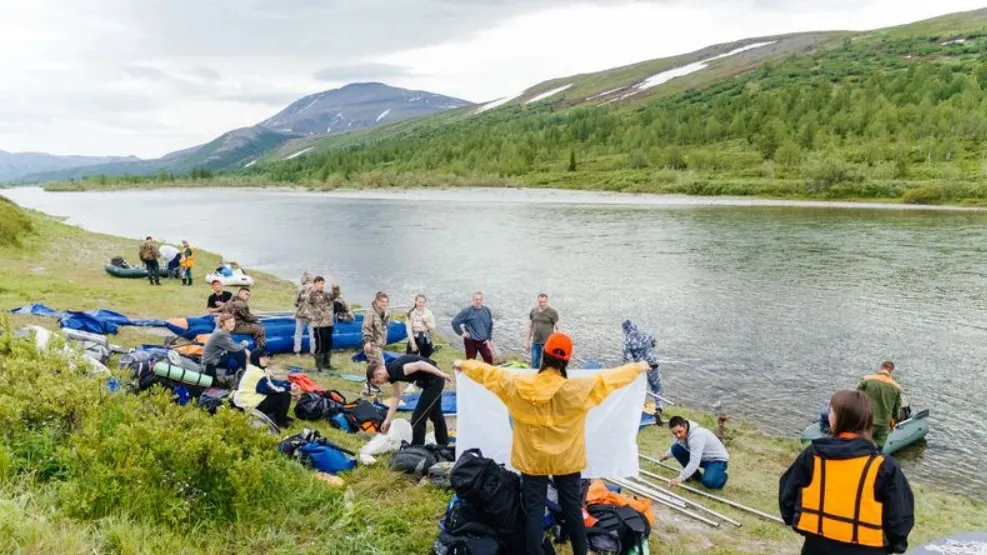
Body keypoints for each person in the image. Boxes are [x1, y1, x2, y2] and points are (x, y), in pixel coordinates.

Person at [455, 332, 649, 555]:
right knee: (573, 510)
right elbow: (609, 379)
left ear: (544, 355)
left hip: (532, 460)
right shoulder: (578, 389)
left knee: (534, 513)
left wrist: (464, 364)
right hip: (567, 460)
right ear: (566, 360)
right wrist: (638, 367)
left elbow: (491, 374)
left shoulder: (518, 383)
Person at [779, 389, 914, 555]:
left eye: (831, 412)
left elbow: (788, 497)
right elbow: (900, 519)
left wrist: (803, 525)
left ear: (836, 418)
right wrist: (893, 546)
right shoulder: (884, 466)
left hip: (817, 547)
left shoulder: (813, 456)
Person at [367, 353, 452, 446]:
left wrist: (442, 374)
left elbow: (420, 364)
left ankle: (417, 447)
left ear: (378, 374)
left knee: (417, 418)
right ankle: (443, 443)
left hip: (434, 381)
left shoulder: (396, 370)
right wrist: (387, 420)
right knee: (435, 414)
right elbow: (396, 396)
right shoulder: (390, 372)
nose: (381, 384)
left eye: (378, 382)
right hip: (429, 382)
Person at [659, 415, 730, 490]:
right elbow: (675, 446)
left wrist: (680, 478)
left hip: (716, 460)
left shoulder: (696, 436)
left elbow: (694, 462)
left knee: (708, 482)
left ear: (685, 426)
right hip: (702, 457)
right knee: (675, 448)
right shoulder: (679, 433)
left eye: (680, 432)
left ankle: (721, 477)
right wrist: (665, 455)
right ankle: (695, 476)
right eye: (675, 433)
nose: (678, 435)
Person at [233, 351, 300, 428]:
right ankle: (280, 421)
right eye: (263, 357)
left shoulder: (254, 368)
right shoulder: (257, 374)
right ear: (255, 359)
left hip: (246, 401)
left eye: (267, 357)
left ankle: (280, 415)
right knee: (285, 395)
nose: (266, 359)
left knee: (279, 393)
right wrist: (289, 388)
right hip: (249, 405)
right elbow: (273, 389)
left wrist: (287, 384)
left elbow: (272, 382)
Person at [622, 319, 664, 424]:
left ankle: (641, 411)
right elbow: (654, 343)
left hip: (641, 369)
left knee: (640, 390)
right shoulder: (647, 334)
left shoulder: (627, 341)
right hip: (653, 365)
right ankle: (658, 408)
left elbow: (628, 359)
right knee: (657, 387)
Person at [857, 361, 903, 448]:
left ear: (881, 367)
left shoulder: (867, 379)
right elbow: (897, 409)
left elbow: (857, 396)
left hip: (867, 420)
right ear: (892, 371)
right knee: (878, 449)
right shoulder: (896, 387)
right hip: (884, 424)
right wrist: (894, 421)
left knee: (862, 447)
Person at [201, 313, 249, 382]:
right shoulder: (221, 334)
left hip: (215, 358)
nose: (232, 324)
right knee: (240, 352)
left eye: (233, 322)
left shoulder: (222, 331)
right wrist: (244, 344)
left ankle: (239, 372)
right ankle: (241, 375)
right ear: (223, 323)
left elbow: (231, 346)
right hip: (211, 362)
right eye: (229, 322)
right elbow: (236, 348)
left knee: (238, 353)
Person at [309, 276, 342, 372]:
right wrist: (314, 290)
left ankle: (327, 364)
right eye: (319, 283)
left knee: (328, 344)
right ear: (315, 284)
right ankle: (319, 367)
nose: (321, 285)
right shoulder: (312, 294)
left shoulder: (327, 294)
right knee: (320, 346)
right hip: (319, 324)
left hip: (328, 323)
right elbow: (310, 300)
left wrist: (335, 287)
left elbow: (335, 295)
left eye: (322, 283)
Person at [451, 291, 494, 364]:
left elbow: (490, 325)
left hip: (483, 341)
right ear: (473, 300)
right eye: (476, 299)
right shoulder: (467, 311)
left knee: (488, 357)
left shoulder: (486, 310)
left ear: (482, 300)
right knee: (471, 362)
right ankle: (469, 374)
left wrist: (488, 339)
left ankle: (488, 374)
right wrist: (462, 333)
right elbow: (454, 322)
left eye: (480, 299)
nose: (478, 301)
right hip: (471, 341)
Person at [223, 287, 266, 352]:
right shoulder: (241, 304)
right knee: (259, 329)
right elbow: (248, 317)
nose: (248, 297)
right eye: (246, 294)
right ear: (240, 293)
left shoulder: (229, 301)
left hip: (226, 326)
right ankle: (260, 350)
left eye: (249, 295)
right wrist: (256, 319)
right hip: (235, 327)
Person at [526, 293, 559, 369]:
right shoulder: (533, 311)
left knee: (548, 365)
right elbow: (530, 326)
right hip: (536, 342)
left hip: (548, 343)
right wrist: (527, 341)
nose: (542, 304)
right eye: (540, 302)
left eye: (544, 302)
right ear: (537, 301)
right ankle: (535, 380)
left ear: (547, 301)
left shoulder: (553, 312)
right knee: (534, 364)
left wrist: (557, 343)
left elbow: (558, 328)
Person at [405, 294, 437, 359]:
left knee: (425, 358)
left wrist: (426, 323)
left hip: (426, 338)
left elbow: (433, 327)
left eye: (423, 302)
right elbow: (409, 329)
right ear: (416, 301)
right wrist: (413, 343)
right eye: (419, 302)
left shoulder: (429, 313)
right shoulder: (411, 313)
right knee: (409, 358)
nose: (421, 304)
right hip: (414, 337)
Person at [361, 291, 390, 361]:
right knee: (380, 365)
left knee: (375, 368)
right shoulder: (370, 313)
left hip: (380, 343)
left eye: (386, 302)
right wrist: (367, 342)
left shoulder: (387, 312)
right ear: (377, 301)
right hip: (372, 344)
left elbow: (385, 327)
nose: (384, 304)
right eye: (382, 301)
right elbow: (366, 328)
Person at [293, 271, 315, 357]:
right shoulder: (314, 289)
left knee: (298, 333)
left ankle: (297, 352)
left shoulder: (300, 288)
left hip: (300, 314)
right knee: (312, 335)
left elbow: (296, 303)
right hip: (311, 315)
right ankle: (312, 352)